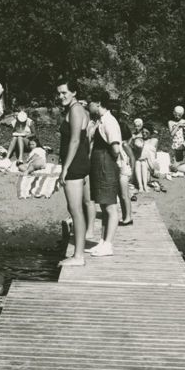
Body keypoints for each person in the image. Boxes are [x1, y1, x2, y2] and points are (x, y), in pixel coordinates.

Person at [57, 81, 93, 267]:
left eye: (64, 93)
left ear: (74, 93)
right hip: (79, 163)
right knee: (78, 209)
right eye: (59, 93)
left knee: (75, 210)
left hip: (75, 165)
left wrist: (65, 168)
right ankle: (79, 253)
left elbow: (75, 140)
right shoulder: (76, 109)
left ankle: (78, 256)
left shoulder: (76, 110)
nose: (61, 96)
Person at [86, 91, 123, 257]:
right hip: (99, 165)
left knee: (110, 206)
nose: (88, 105)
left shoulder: (109, 121)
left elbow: (115, 148)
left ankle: (108, 245)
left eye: (90, 102)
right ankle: (102, 242)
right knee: (103, 203)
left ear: (98, 103)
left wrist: (107, 162)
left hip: (106, 165)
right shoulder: (100, 121)